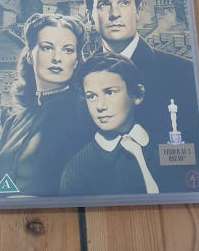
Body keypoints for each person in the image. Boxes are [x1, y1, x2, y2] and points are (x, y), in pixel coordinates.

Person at [84, 0, 199, 189]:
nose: (114, 14)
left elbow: (193, 154)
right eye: (103, 4)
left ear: (138, 11)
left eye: (124, 3)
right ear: (90, 16)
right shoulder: (78, 80)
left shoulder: (183, 73)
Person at [0, 13, 93, 195]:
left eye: (68, 50)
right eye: (47, 48)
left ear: (77, 60)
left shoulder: (86, 113)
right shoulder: (12, 123)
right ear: (30, 55)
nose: (57, 58)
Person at [61, 53, 161, 195]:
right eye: (91, 96)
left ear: (137, 95)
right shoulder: (78, 169)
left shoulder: (165, 147)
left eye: (109, 92)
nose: (100, 106)